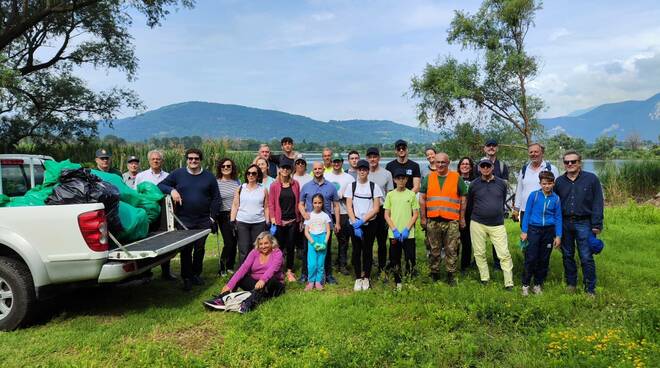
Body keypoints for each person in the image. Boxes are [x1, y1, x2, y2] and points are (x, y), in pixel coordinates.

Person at [158, 148, 220, 291]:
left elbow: (216, 198)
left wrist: (212, 217)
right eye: (190, 158)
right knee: (186, 249)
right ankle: (186, 277)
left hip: (203, 219)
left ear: (200, 160)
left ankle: (196, 274)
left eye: (196, 158)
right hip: (184, 219)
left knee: (200, 248)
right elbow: (161, 185)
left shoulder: (209, 177)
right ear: (187, 159)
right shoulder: (178, 174)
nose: (193, 161)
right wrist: (172, 190)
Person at [554, 150, 604, 296]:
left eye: (573, 161)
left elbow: (598, 203)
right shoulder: (559, 181)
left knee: (586, 256)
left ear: (579, 162)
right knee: (567, 255)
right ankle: (571, 284)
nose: (570, 164)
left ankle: (590, 288)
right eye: (566, 162)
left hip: (584, 223)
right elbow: (555, 204)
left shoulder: (591, 179)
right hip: (565, 223)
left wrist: (596, 224)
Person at [204, 232, 285, 312]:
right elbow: (243, 268)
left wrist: (263, 280)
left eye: (266, 243)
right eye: (261, 244)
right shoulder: (254, 252)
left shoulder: (277, 253)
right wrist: (229, 285)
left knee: (270, 279)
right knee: (238, 275)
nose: (263, 246)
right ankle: (222, 299)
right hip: (256, 285)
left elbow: (272, 269)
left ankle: (248, 303)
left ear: (272, 243)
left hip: (273, 285)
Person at [419, 152, 467, 285]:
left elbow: (463, 198)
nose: (440, 165)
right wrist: (423, 218)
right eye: (437, 162)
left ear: (448, 162)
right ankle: (434, 273)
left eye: (443, 162)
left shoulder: (456, 177)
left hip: (451, 220)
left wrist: (462, 218)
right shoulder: (428, 177)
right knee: (434, 249)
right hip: (433, 220)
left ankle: (451, 274)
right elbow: (422, 198)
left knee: (451, 249)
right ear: (434, 162)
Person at [468, 158, 513, 290]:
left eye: (488, 166)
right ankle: (484, 278)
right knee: (479, 252)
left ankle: (508, 282)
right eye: (483, 166)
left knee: (504, 253)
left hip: (497, 224)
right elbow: (471, 202)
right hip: (477, 222)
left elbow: (503, 199)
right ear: (479, 168)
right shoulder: (474, 184)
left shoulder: (501, 184)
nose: (486, 169)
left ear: (492, 168)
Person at [134, 150, 175, 281]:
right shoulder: (141, 176)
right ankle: (147, 273)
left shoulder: (168, 176)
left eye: (158, 159)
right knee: (147, 240)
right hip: (148, 214)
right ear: (149, 161)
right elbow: (137, 194)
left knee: (166, 240)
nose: (156, 161)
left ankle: (166, 272)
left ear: (162, 161)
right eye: (153, 159)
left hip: (164, 214)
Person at [520, 171, 562, 296]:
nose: (547, 186)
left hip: (548, 231)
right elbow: (527, 213)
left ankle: (538, 284)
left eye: (549, 183)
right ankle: (525, 284)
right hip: (534, 230)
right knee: (531, 257)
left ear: (553, 183)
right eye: (544, 184)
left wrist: (558, 235)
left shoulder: (556, 198)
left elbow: (558, 217)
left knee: (544, 259)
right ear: (540, 184)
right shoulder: (534, 195)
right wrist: (524, 231)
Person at [298, 161, 341, 284]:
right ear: (313, 170)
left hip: (325, 224)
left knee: (325, 250)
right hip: (310, 224)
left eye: (319, 168)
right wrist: (303, 214)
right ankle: (305, 274)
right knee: (307, 250)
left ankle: (328, 275)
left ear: (323, 170)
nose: (317, 171)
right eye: (315, 169)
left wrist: (337, 222)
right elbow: (300, 204)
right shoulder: (306, 186)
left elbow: (336, 206)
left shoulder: (331, 186)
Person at [346, 159, 384, 291]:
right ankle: (358, 278)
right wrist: (356, 223)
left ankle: (366, 277)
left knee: (367, 251)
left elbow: (376, 208)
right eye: (360, 169)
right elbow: (349, 206)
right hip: (354, 223)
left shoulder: (374, 187)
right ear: (357, 170)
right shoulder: (351, 186)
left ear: (368, 171)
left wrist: (363, 220)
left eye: (364, 169)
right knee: (356, 251)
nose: (362, 171)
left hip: (370, 224)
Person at [476, 139, 511, 271]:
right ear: (484, 149)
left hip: (497, 207)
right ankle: (479, 262)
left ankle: (498, 264)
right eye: (488, 146)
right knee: (479, 237)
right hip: (480, 207)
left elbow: (505, 186)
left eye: (493, 146)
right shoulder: (478, 165)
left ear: (497, 148)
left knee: (498, 238)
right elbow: (475, 184)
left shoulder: (502, 166)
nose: (491, 148)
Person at [383, 168, 419, 291]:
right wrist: (394, 230)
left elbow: (415, 214)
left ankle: (409, 280)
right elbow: (386, 215)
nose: (401, 180)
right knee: (395, 258)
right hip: (394, 233)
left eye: (403, 178)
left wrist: (407, 229)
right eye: (398, 178)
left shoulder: (411, 194)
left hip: (408, 233)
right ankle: (398, 282)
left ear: (407, 179)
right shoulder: (390, 195)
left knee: (410, 257)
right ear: (394, 180)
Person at [268, 157, 301, 282]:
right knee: (279, 247)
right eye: (283, 168)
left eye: (288, 168)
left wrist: (300, 219)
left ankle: (289, 270)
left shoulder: (295, 184)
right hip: (279, 221)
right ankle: (278, 270)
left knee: (291, 246)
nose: (285, 170)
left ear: (291, 170)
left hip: (293, 220)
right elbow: (271, 204)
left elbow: (298, 202)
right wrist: (273, 220)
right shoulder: (274, 185)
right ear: (279, 169)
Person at [231, 164, 270, 267]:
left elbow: (266, 207)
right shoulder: (240, 188)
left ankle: (256, 270)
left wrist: (267, 221)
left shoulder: (263, 189)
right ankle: (242, 273)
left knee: (258, 249)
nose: (251, 175)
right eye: (248, 173)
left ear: (258, 175)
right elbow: (235, 205)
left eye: (253, 173)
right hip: (242, 223)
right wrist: (232, 220)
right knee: (243, 249)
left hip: (259, 223)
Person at [323, 152, 355, 275]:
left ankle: (342, 264)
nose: (336, 163)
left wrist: (344, 197)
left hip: (343, 212)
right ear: (331, 162)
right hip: (327, 211)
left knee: (343, 240)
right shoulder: (326, 176)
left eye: (338, 161)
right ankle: (327, 264)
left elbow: (352, 195)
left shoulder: (349, 178)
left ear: (342, 162)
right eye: (334, 161)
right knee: (327, 239)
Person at [513, 143, 559, 226]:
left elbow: (557, 190)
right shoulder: (524, 169)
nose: (533, 154)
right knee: (526, 235)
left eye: (536, 152)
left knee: (545, 237)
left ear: (542, 153)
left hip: (545, 211)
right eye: (531, 152)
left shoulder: (551, 169)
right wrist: (516, 208)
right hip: (525, 211)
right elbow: (519, 190)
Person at [366, 147, 394, 275]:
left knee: (382, 241)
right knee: (368, 241)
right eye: (370, 157)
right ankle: (368, 265)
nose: (372, 159)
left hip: (382, 210)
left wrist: (389, 215)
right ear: (367, 158)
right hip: (367, 209)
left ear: (379, 158)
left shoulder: (387, 173)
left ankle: (382, 268)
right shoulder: (364, 172)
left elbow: (390, 195)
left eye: (375, 156)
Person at [215, 158, 241, 276]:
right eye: (223, 166)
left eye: (228, 166)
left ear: (232, 168)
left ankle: (230, 265)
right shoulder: (216, 183)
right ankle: (222, 267)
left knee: (235, 241)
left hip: (237, 214)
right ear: (220, 168)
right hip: (223, 215)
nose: (226, 168)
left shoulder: (237, 182)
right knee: (228, 242)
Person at [303, 194, 332, 291]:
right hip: (312, 241)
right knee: (312, 264)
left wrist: (324, 243)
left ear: (322, 203)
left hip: (322, 239)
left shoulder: (325, 216)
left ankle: (318, 281)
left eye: (319, 203)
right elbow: (306, 232)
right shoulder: (309, 215)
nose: (317, 205)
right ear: (312, 203)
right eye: (315, 203)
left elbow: (328, 231)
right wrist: (313, 243)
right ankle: (311, 281)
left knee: (320, 263)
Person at [457, 157, 477, 272]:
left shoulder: (475, 180)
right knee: (454, 241)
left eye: (467, 164)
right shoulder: (454, 179)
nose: (465, 166)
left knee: (467, 241)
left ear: (470, 167)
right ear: (459, 166)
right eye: (463, 164)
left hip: (471, 213)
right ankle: (452, 264)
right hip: (455, 212)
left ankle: (465, 266)